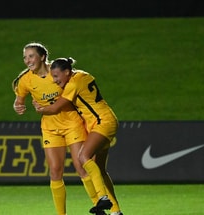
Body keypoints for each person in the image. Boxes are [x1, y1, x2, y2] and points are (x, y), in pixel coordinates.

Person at [12, 42, 99, 215]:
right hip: (50, 127)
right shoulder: (26, 80)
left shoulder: (57, 72)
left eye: (31, 56)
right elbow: (19, 101)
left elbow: (74, 89)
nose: (27, 60)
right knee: (55, 171)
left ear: (42, 57)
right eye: (25, 57)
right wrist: (18, 106)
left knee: (81, 166)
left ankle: (100, 206)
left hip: (71, 122)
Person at [33, 57, 123, 215]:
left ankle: (102, 197)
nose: (54, 80)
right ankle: (116, 211)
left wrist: (41, 109)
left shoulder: (72, 85)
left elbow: (55, 108)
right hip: (106, 120)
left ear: (67, 72)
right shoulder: (82, 75)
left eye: (56, 76)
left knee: (83, 156)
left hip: (102, 123)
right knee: (100, 169)